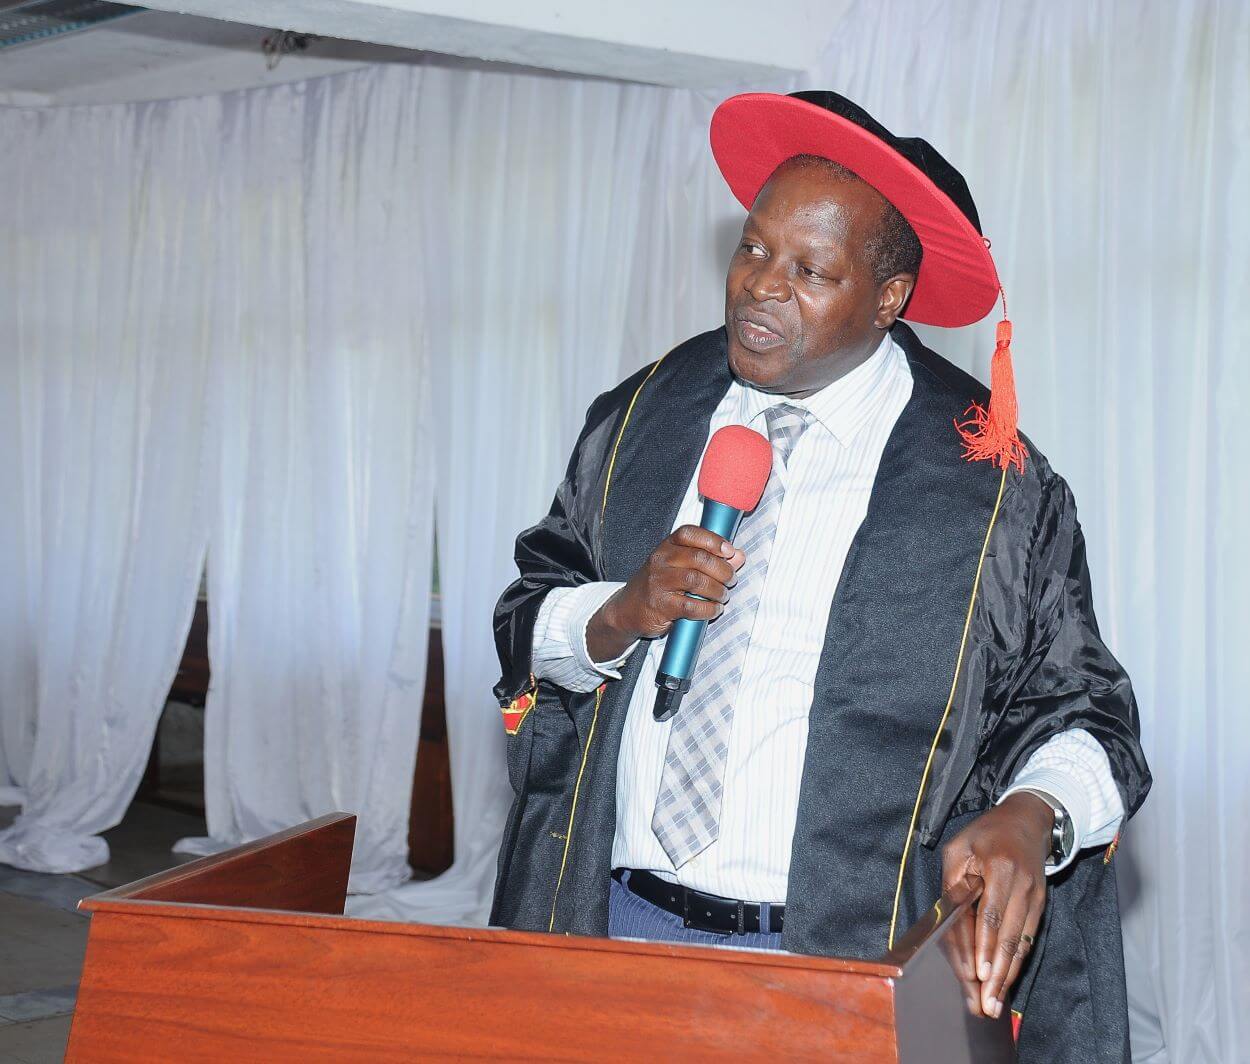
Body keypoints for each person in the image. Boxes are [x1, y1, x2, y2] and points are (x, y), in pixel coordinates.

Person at [491, 90, 1150, 1061]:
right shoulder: (640, 416)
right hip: (611, 931)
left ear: (886, 299)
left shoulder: (988, 483)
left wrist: (1031, 813)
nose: (760, 285)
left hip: (845, 968)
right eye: (752, 248)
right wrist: (618, 610)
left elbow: (1085, 712)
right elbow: (526, 619)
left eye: (809, 269)